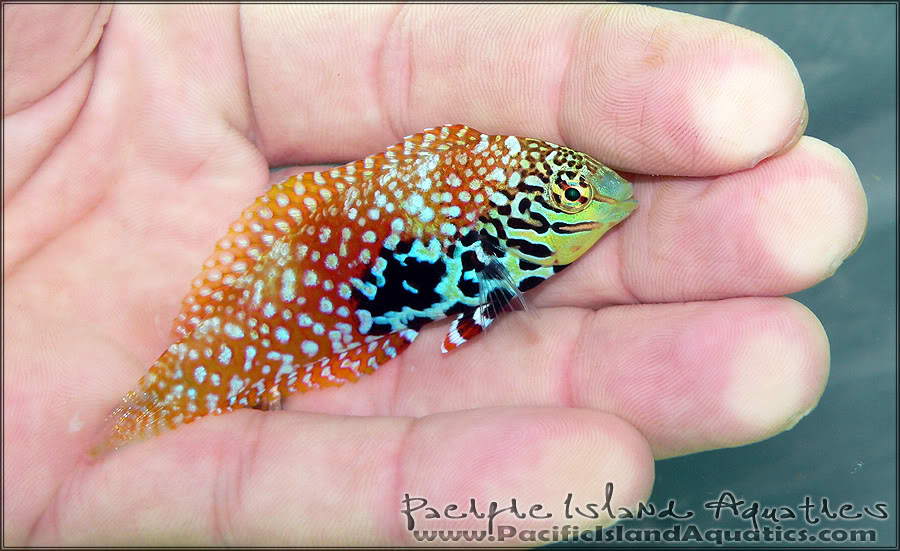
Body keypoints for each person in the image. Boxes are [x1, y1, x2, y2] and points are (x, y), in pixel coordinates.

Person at [3, 4, 867, 546]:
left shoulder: (522, 226)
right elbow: (448, 282)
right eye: (567, 191)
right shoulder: (505, 226)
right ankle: (167, 395)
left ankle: (168, 396)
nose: (600, 199)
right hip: (357, 291)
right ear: (531, 210)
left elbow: (471, 285)